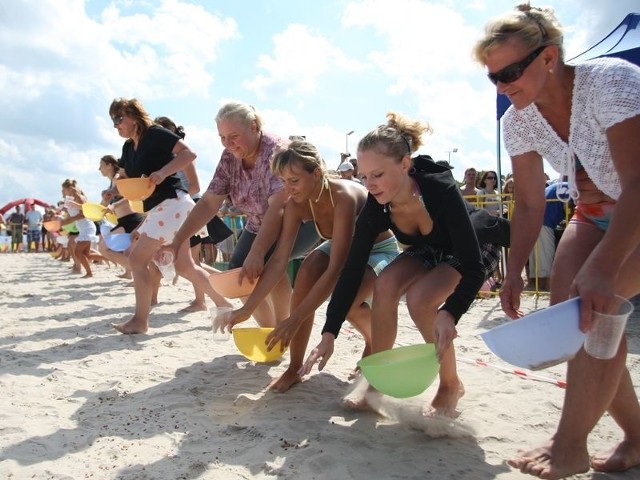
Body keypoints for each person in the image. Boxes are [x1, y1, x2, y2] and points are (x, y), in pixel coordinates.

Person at [474, 3, 640, 478]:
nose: (503, 86)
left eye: (509, 73)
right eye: (493, 78)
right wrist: (516, 267)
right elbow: (527, 204)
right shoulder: (517, 120)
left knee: (595, 310)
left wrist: (605, 267)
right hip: (592, 212)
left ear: (548, 58)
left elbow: (637, 183)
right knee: (577, 322)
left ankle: (568, 445)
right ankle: (638, 435)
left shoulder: (610, 80)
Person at [302, 112, 509, 416]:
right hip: (430, 246)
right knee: (385, 284)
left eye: (378, 174)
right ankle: (377, 384)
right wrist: (329, 333)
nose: (369, 184)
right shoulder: (376, 207)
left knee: (421, 300)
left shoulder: (439, 188)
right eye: (364, 176)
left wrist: (451, 311)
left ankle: (450, 384)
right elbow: (352, 269)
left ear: (405, 164)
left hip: (475, 246)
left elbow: (473, 264)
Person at [220, 140, 398, 392]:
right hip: (341, 246)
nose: (288, 188)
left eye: (293, 180)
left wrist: (294, 319)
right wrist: (248, 309)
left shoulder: (343, 197)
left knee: (347, 304)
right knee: (307, 269)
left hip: (377, 249)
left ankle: (372, 342)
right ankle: (294, 368)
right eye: (283, 181)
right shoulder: (295, 203)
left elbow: (336, 267)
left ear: (315, 173)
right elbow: (280, 260)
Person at [167, 101, 320, 327]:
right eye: (222, 137)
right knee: (238, 277)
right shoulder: (229, 158)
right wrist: (178, 240)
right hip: (258, 224)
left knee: (268, 264)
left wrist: (257, 252)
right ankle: (269, 331)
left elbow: (278, 207)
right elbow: (209, 202)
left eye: (233, 136)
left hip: (301, 220)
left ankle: (283, 328)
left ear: (254, 126)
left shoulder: (275, 151)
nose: (228, 144)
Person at [108, 97, 231, 334]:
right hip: (162, 207)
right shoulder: (127, 147)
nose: (115, 125)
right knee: (185, 266)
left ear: (133, 116)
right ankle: (223, 303)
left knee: (136, 260)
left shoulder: (154, 133)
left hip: (173, 203)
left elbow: (188, 154)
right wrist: (113, 189)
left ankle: (140, 321)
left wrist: (163, 173)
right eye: (113, 121)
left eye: (118, 118)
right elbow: (125, 177)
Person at [526, 181, 569, 292]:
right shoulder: (573, 189)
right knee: (546, 256)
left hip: (532, 221)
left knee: (536, 258)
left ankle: (536, 286)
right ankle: (547, 287)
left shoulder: (558, 186)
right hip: (545, 222)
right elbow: (568, 209)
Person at [60, 179, 100, 277]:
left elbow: (84, 214)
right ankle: (109, 258)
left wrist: (68, 220)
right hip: (82, 228)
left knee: (78, 252)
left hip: (87, 227)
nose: (62, 192)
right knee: (87, 255)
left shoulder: (79, 197)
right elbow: (69, 216)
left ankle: (89, 273)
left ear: (69, 189)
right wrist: (62, 222)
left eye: (63, 190)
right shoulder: (69, 199)